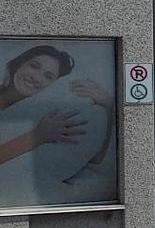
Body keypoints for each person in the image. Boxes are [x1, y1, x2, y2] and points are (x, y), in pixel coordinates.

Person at [0, 45, 114, 196]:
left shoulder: (46, 115)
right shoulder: (43, 126)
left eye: (48, 76)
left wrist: (108, 106)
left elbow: (95, 159)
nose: (36, 77)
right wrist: (36, 137)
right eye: (34, 66)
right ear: (19, 63)